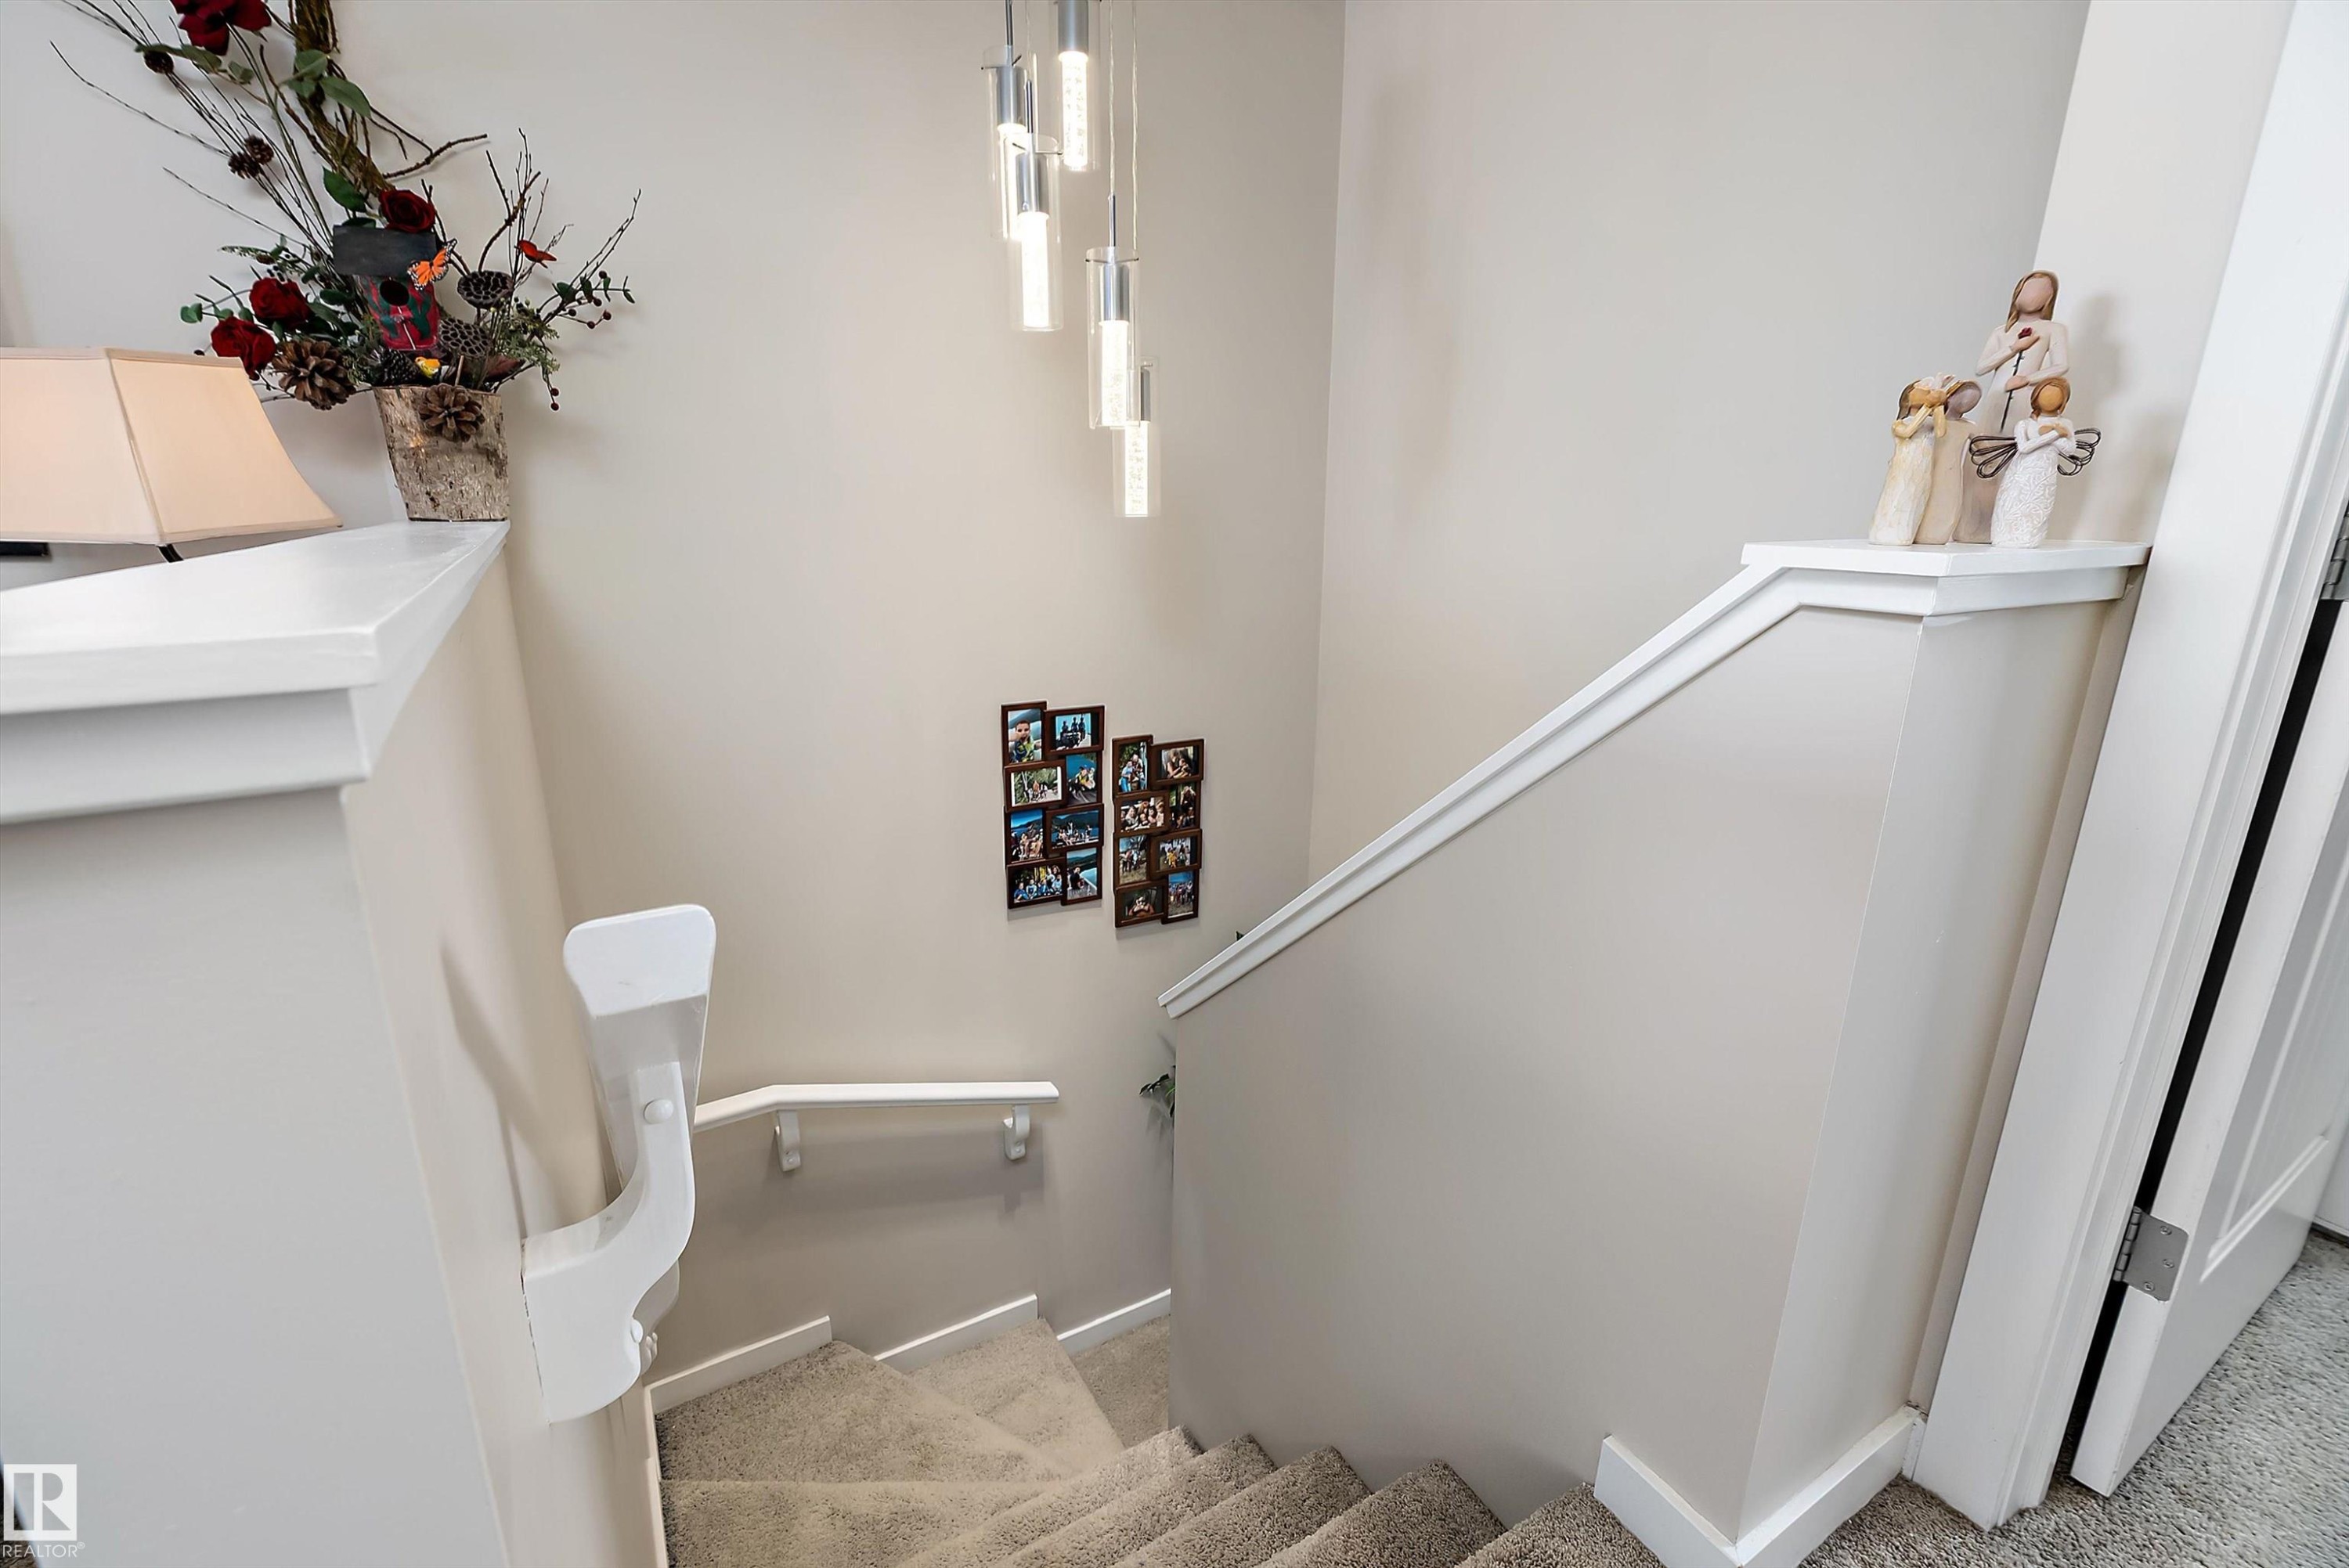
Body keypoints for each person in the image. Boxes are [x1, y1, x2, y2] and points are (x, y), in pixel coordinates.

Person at [1976, 271, 2069, 435]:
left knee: (2018, 441)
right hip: (1995, 399)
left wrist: (2027, 380)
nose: (2032, 295)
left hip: (2025, 399)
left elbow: (2061, 365)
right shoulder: (2001, 332)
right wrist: (2014, 347)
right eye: (2028, 289)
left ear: (2049, 297)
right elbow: (1981, 368)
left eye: (2040, 290)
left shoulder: (2054, 329)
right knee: (1983, 444)